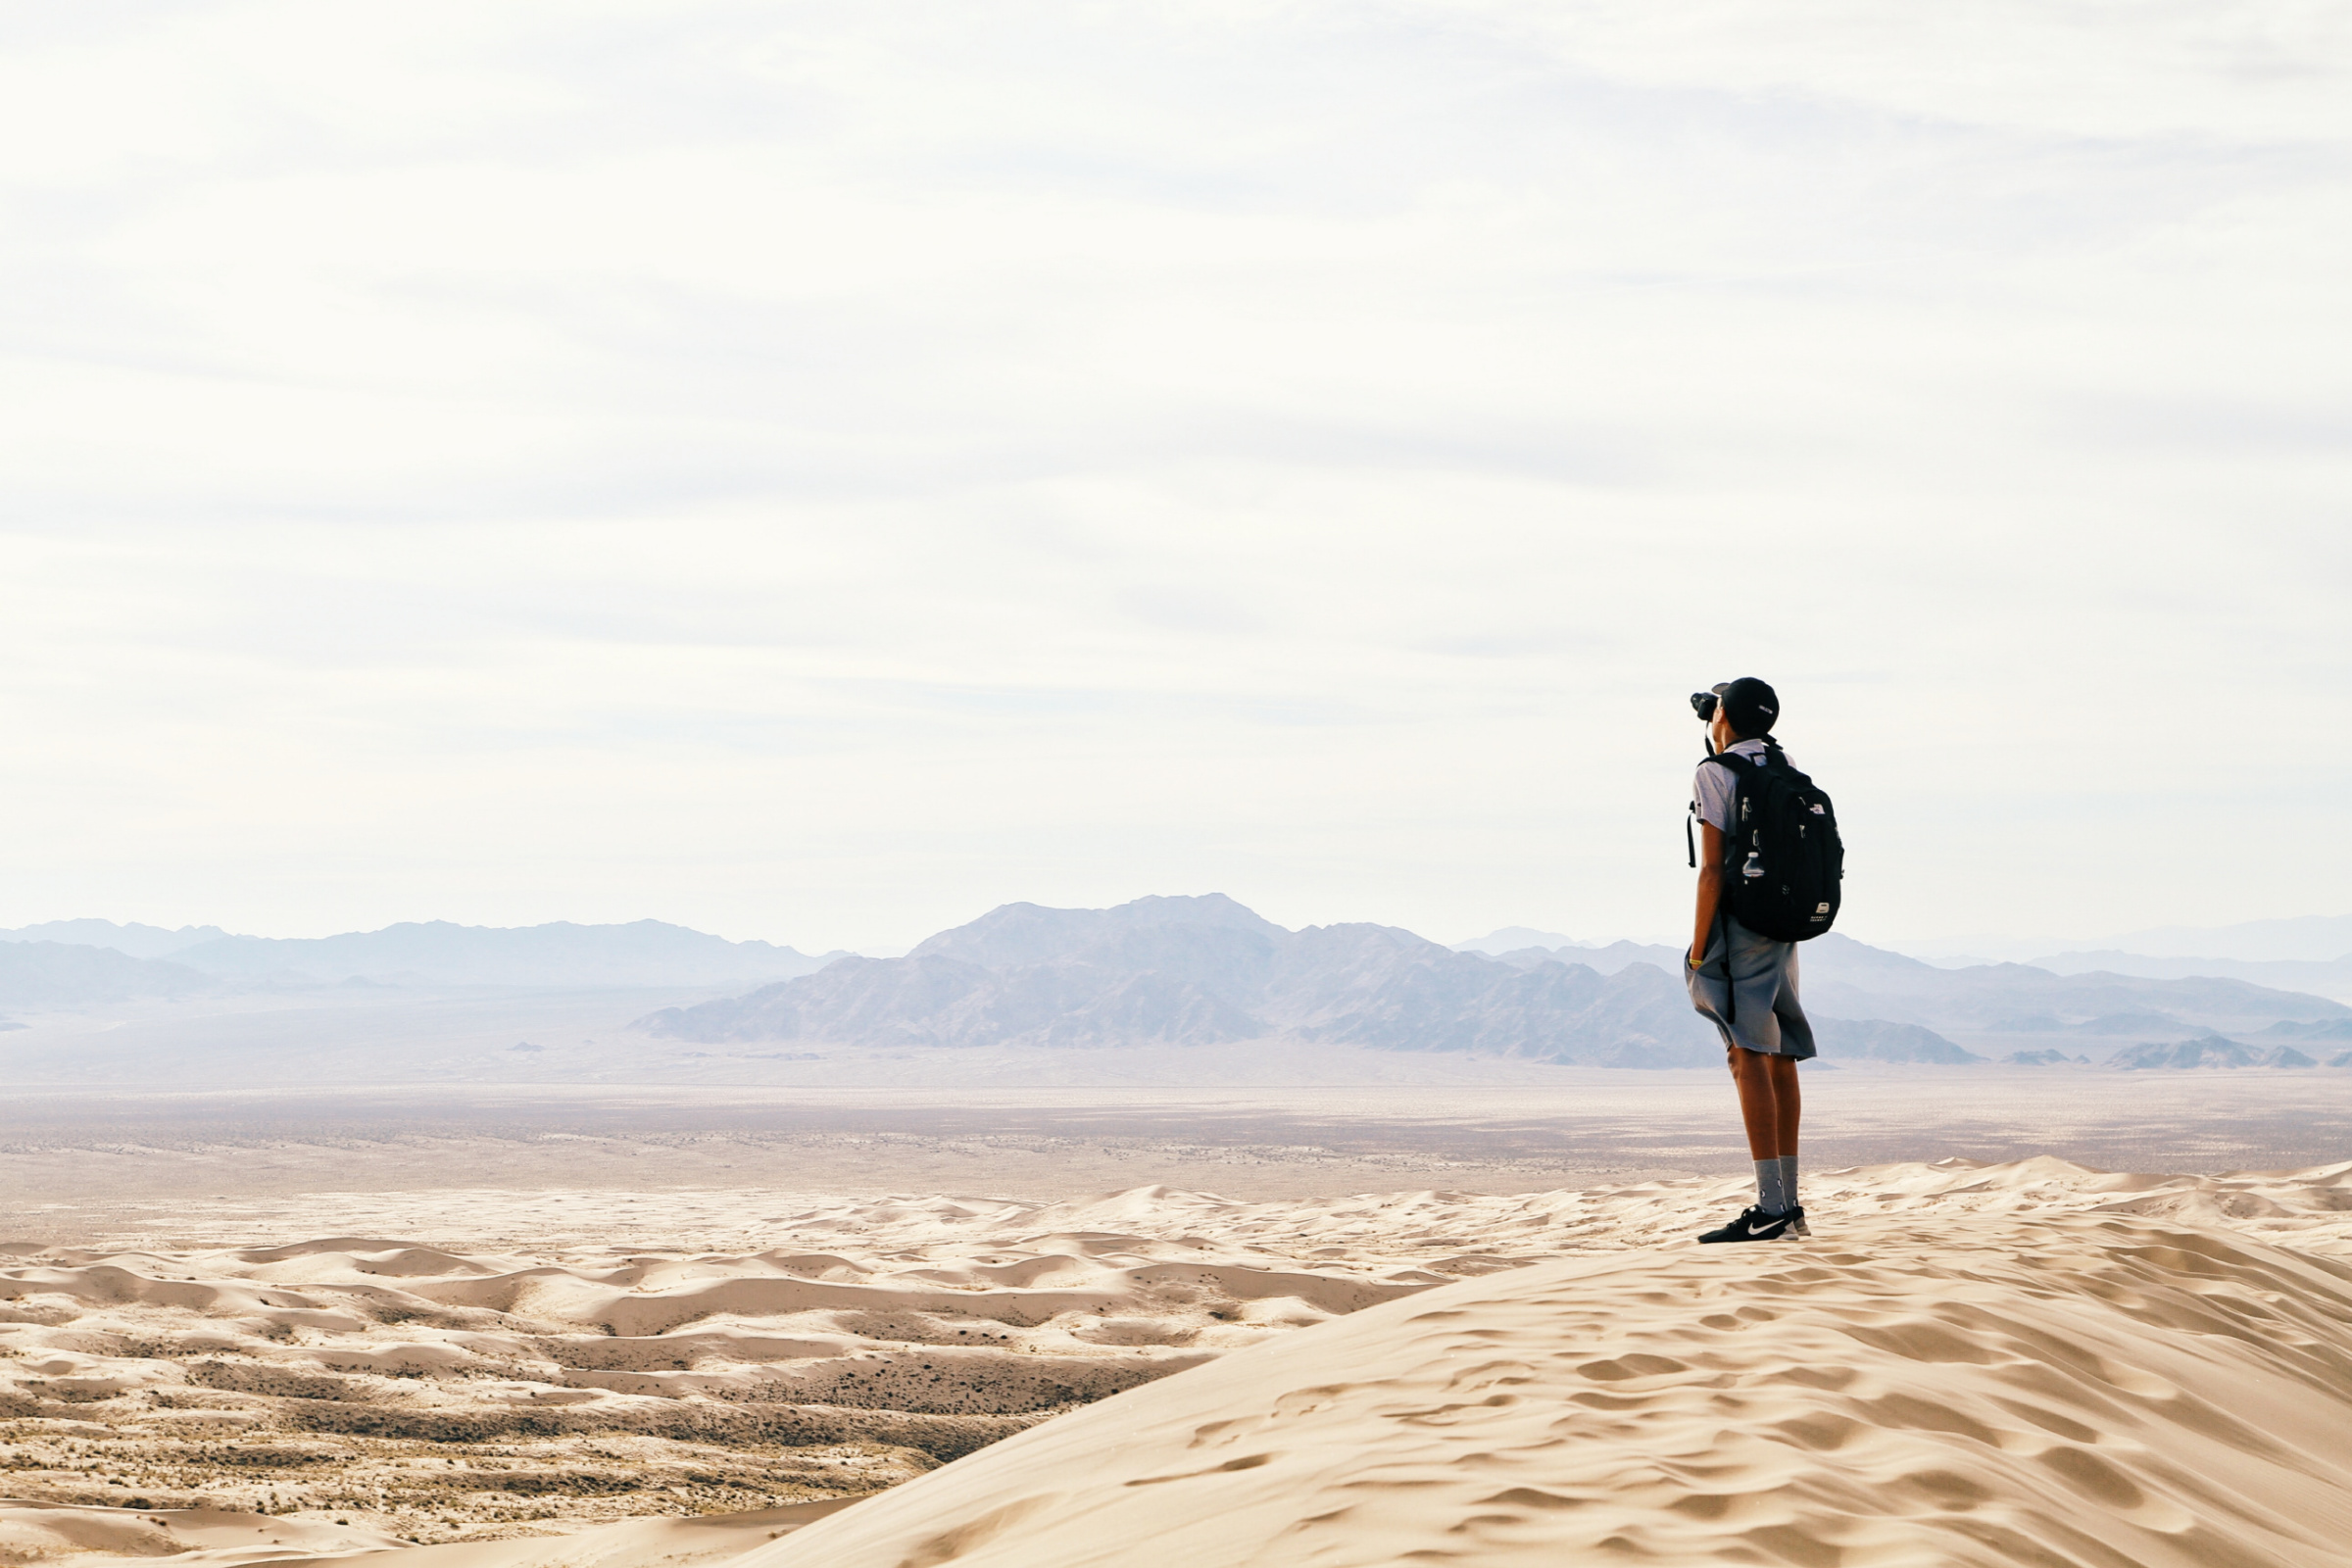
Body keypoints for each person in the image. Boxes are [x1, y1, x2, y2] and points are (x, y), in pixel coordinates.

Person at [1687, 676, 1816, 1243]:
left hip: (1742, 929)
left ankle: (1771, 1210)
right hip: (1786, 926)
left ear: (1725, 717)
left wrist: (1698, 947)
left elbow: (1712, 869)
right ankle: (1788, 1206)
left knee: (1746, 1054)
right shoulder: (1782, 764)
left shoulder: (1715, 773)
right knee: (1780, 1052)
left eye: (1714, 709)